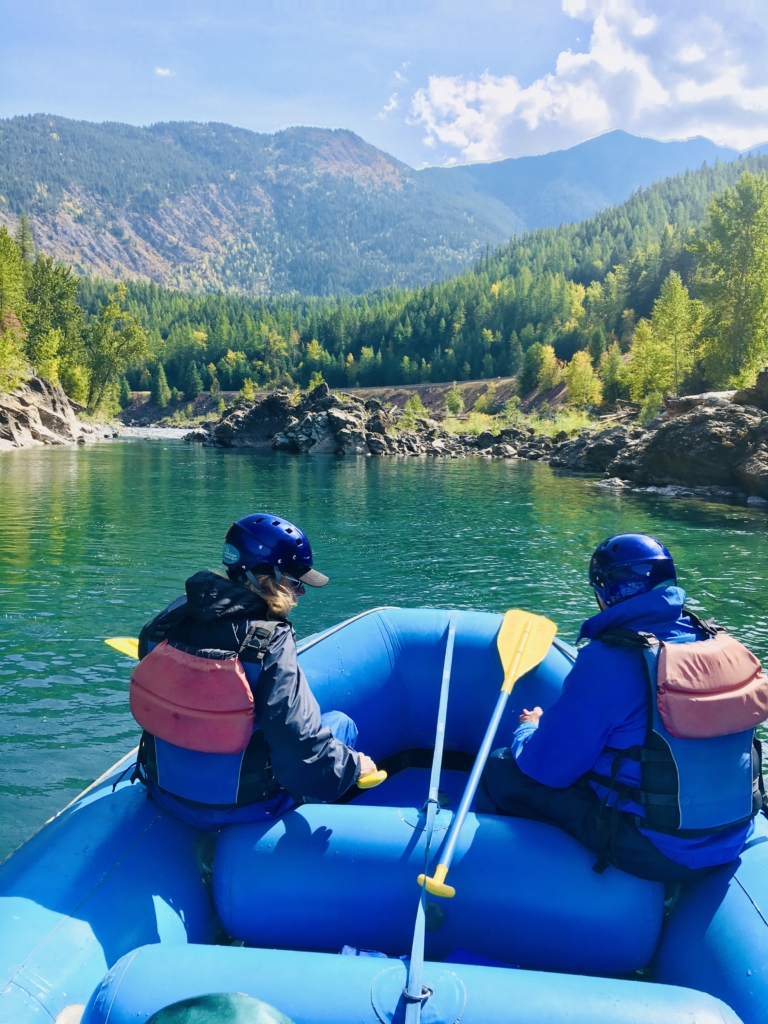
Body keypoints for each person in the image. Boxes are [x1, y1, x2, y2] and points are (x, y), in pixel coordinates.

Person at [479, 533, 767, 883]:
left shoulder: (609, 660)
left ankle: (506, 873)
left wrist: (529, 728)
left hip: (654, 849)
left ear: (605, 593)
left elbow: (547, 769)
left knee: (501, 767)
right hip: (735, 835)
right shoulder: (718, 642)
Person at [130, 512, 377, 829]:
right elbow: (299, 744)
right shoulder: (269, 640)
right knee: (341, 725)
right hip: (245, 806)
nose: (300, 592)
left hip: (163, 789)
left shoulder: (172, 616)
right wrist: (353, 765)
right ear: (263, 576)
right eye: (294, 581)